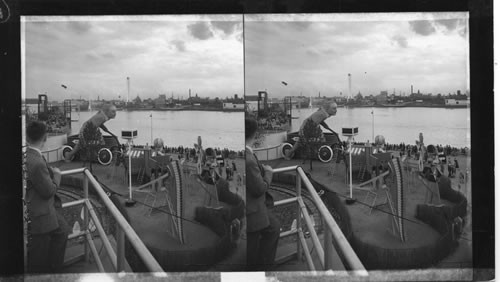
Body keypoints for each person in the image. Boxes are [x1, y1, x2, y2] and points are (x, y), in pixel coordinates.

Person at [25, 121, 69, 273]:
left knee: (62, 231)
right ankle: (53, 270)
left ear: (27, 137)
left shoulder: (28, 155)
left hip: (38, 208)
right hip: (40, 213)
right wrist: (57, 176)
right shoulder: (36, 162)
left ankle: (52, 267)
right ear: (46, 137)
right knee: (38, 258)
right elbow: (49, 191)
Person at [245, 117, 280, 270]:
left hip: (251, 207)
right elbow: (259, 188)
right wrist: (268, 173)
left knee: (273, 228)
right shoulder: (249, 159)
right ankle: (264, 268)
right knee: (252, 249)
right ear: (255, 134)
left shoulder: (247, 155)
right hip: (252, 211)